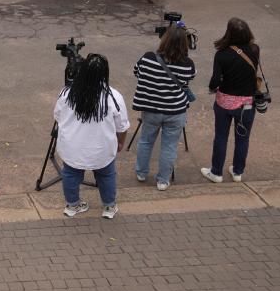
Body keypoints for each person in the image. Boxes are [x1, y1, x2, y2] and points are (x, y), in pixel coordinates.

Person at [53, 54, 130, 219]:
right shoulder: (113, 96)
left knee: (71, 174)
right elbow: (122, 126)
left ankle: (72, 206)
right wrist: (120, 143)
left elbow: (58, 116)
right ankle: (109, 207)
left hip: (72, 148)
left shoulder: (67, 93)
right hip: (102, 149)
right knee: (106, 175)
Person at [132, 24, 197, 190]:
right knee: (169, 146)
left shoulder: (147, 58)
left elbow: (137, 72)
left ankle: (141, 172)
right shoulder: (188, 64)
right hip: (175, 111)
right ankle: (163, 180)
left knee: (146, 141)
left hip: (151, 109)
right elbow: (190, 78)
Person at [202, 18, 261, 183]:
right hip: (247, 102)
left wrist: (213, 87)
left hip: (225, 102)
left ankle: (216, 172)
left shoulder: (221, 55)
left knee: (221, 136)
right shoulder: (254, 50)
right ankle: (237, 171)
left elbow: (215, 82)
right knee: (243, 137)